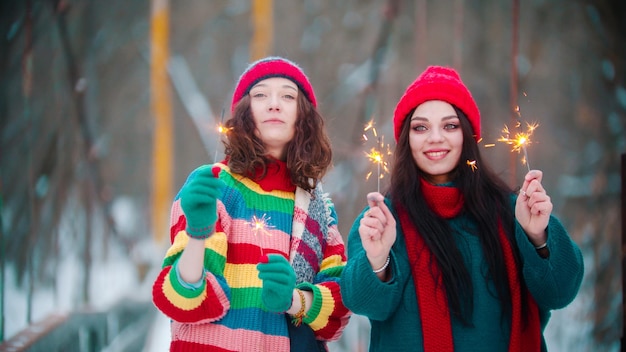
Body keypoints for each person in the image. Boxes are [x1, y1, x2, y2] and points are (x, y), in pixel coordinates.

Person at [340, 65, 584, 351]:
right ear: (407, 138)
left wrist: (539, 237)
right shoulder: (381, 222)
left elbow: (561, 293)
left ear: (468, 135)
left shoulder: (516, 213)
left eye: (450, 126)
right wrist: (379, 259)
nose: (435, 138)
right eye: (421, 127)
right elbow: (362, 303)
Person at [152, 56, 351, 352]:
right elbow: (181, 301)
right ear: (245, 112)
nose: (274, 104)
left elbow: (338, 313)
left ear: (303, 117)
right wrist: (197, 234)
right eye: (260, 95)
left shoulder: (318, 208)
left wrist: (293, 300)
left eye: (287, 95)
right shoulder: (215, 185)